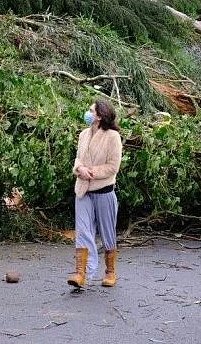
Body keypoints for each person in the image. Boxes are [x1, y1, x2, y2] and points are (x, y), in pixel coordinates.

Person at [67, 99, 123, 289]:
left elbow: (113, 166)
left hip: (104, 191)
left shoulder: (112, 137)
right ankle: (81, 273)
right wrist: (79, 169)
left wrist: (91, 172)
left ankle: (110, 272)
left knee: (107, 232)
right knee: (82, 230)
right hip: (83, 189)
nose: (88, 113)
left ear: (100, 115)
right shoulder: (83, 135)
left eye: (91, 110)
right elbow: (77, 158)